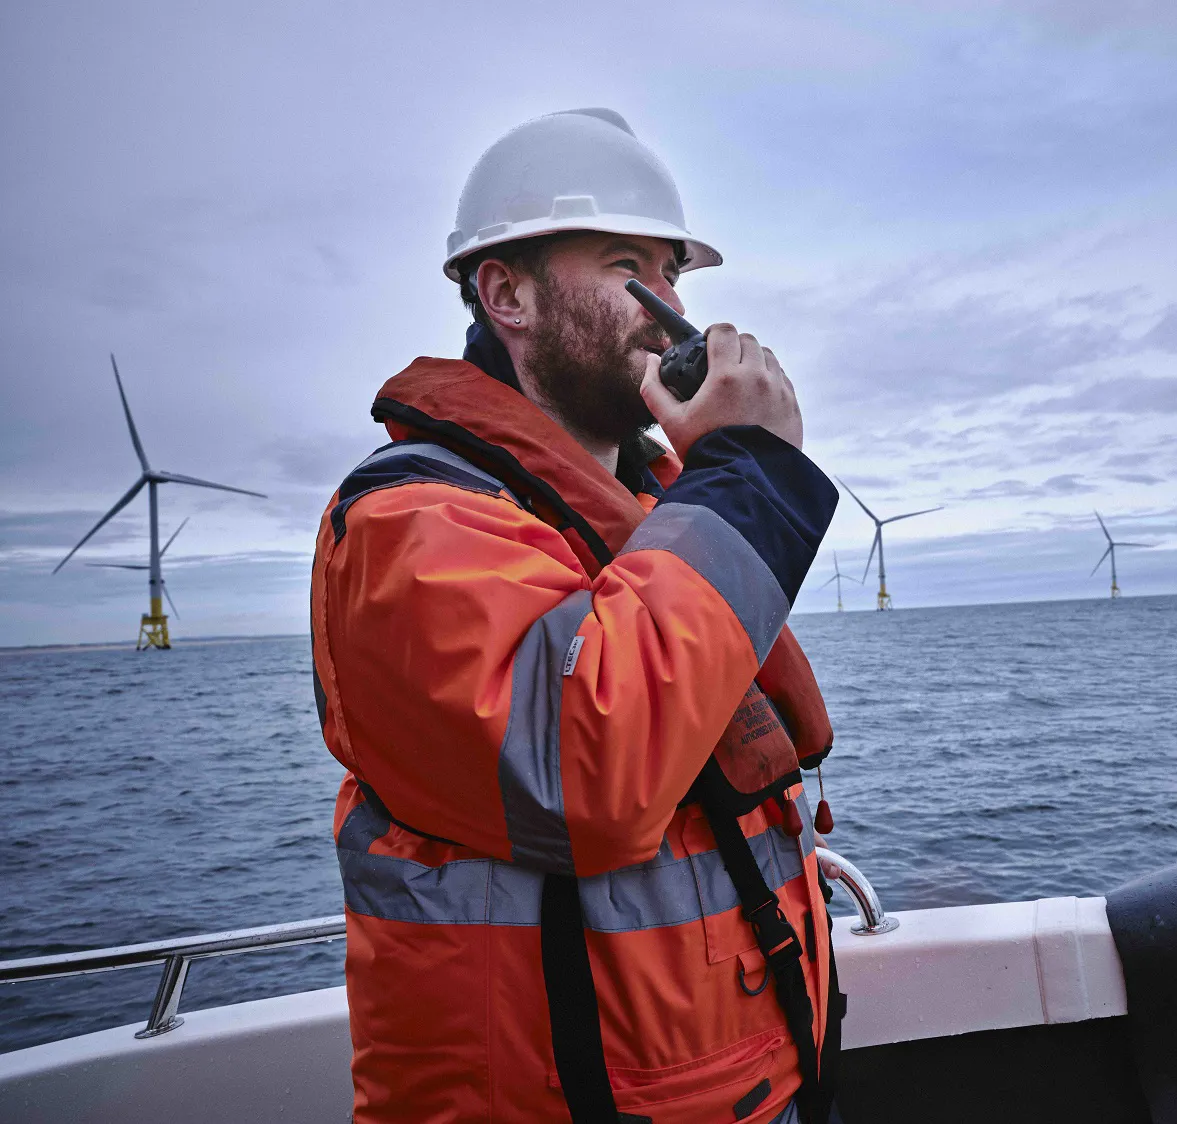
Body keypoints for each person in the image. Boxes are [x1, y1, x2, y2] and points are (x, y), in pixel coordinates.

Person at [310, 108, 845, 1124]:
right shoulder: (404, 524)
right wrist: (746, 481)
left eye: (675, 272)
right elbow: (579, 771)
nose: (671, 308)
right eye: (624, 264)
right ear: (505, 292)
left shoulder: (655, 513)